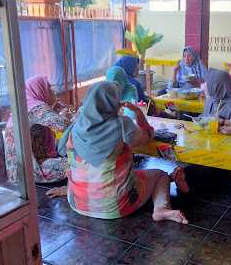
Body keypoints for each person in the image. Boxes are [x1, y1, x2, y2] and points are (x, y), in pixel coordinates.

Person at [47, 81, 189, 223]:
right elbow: (148, 135)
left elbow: (70, 159)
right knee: (160, 174)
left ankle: (83, 193)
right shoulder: (122, 124)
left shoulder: (76, 127)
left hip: (78, 202)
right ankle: (161, 209)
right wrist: (138, 113)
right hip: (116, 206)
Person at [4, 76, 71, 184]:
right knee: (78, 165)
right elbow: (63, 125)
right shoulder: (36, 107)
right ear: (39, 90)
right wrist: (64, 112)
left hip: (17, 173)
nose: (53, 90)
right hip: (33, 172)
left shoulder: (24, 106)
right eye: (48, 87)